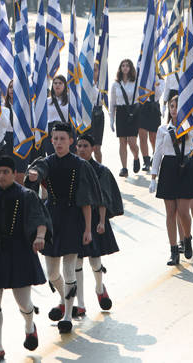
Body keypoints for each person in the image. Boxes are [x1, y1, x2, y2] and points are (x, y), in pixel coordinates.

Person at [25, 122, 100, 334]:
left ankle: (68, 314)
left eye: (62, 139)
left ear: (71, 141)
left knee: (69, 270)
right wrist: (34, 175)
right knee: (52, 273)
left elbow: (86, 200)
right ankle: (64, 298)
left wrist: (87, 229)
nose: (58, 142)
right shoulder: (47, 162)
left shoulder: (80, 165)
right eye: (55, 139)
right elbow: (39, 170)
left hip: (72, 218)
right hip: (51, 218)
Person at [0, 155, 51, 360]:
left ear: (14, 174)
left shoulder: (27, 196)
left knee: (24, 303)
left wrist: (40, 236)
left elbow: (40, 219)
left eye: (5, 172)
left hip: (20, 252)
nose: (1, 176)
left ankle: (29, 326)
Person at [149, 96, 193, 266]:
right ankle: (173, 251)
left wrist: (190, 120)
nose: (174, 109)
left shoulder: (190, 128)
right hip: (169, 168)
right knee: (170, 212)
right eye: (171, 106)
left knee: (184, 212)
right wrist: (153, 177)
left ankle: (187, 237)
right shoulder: (163, 129)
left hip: (186, 168)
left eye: (178, 106)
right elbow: (157, 153)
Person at [74, 134, 120, 317]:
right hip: (76, 220)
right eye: (79, 145)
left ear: (93, 148)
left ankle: (100, 289)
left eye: (85, 145)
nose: (82, 149)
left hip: (94, 219)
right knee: (75, 262)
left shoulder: (101, 170)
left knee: (94, 260)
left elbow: (103, 198)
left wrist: (101, 222)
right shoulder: (73, 168)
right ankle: (80, 304)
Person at [110, 59, 141, 176]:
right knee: (122, 141)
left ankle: (136, 156)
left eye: (127, 66)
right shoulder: (115, 84)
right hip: (121, 112)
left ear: (131, 68)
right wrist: (112, 120)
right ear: (120, 68)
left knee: (132, 142)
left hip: (133, 111)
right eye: (123, 66)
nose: (125, 68)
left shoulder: (135, 82)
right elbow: (112, 102)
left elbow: (140, 98)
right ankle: (124, 168)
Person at [42, 75, 69, 155]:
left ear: (64, 85)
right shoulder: (47, 101)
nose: (57, 85)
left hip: (65, 130)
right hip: (51, 131)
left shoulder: (70, 100)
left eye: (60, 83)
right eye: (55, 83)